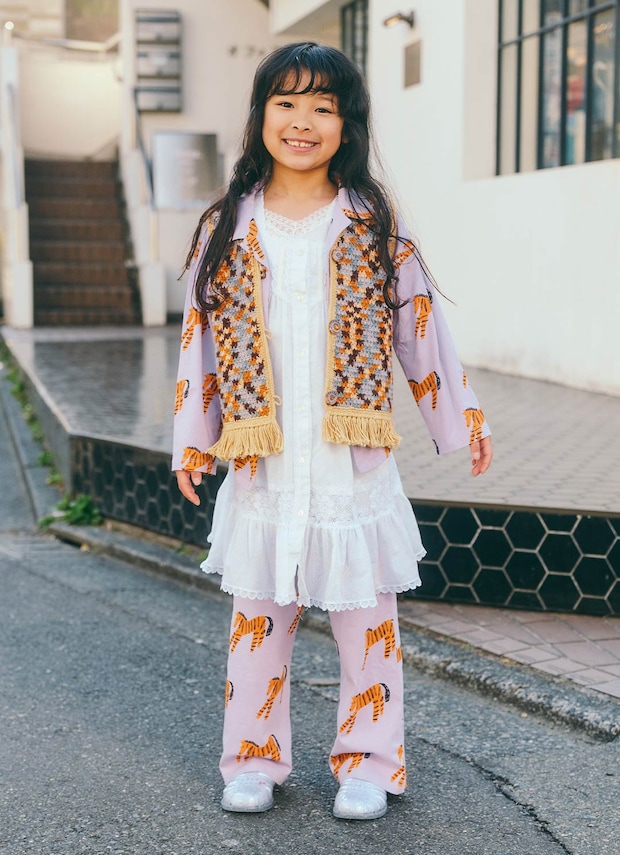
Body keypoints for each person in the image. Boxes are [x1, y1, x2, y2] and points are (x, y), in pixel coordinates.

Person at [172, 42, 492, 821]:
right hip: (265, 465)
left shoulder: (372, 222)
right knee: (256, 627)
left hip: (353, 468)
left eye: (324, 106)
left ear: (348, 124)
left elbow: (419, 327)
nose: (303, 121)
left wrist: (463, 414)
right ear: (261, 116)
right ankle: (252, 759)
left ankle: (370, 763)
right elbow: (199, 339)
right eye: (286, 103)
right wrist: (193, 436)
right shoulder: (227, 225)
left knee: (368, 630)